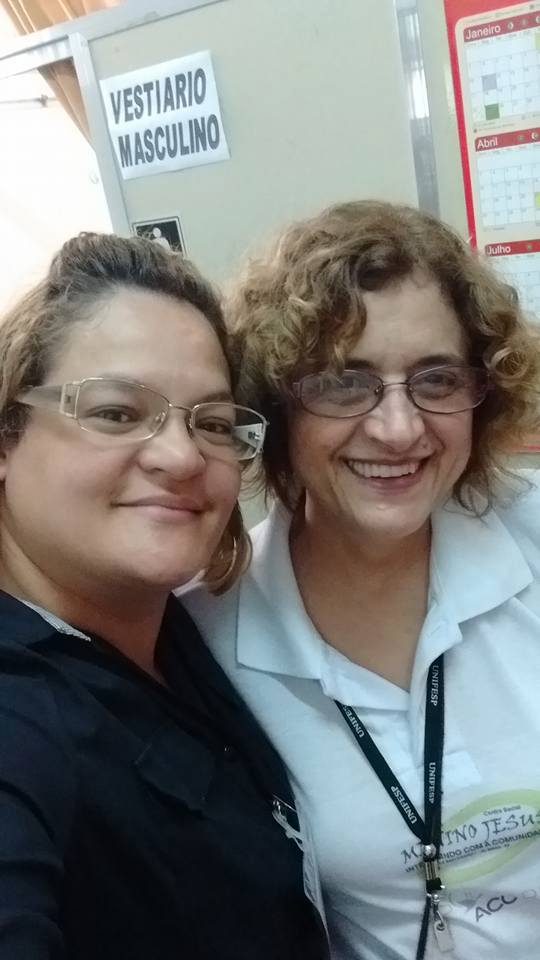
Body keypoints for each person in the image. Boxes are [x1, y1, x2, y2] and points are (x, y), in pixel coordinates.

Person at [184, 201, 540, 960]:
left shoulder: (532, 540)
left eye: (436, 379)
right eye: (345, 384)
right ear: (275, 407)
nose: (399, 428)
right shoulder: (206, 635)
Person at [0, 232, 329, 960]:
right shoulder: (20, 718)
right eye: (117, 413)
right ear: (6, 436)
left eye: (211, 423)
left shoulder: (169, 629)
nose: (181, 457)